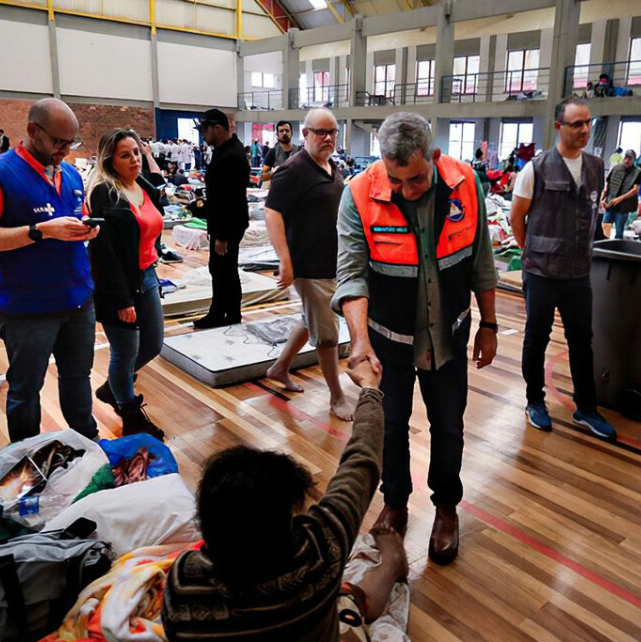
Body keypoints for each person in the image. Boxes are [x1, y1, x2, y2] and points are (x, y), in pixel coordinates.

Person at [333, 112, 499, 562]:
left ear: (434, 156)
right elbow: (351, 274)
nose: (405, 190)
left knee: (449, 426)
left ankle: (446, 507)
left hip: (448, 336)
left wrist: (489, 324)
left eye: (417, 179)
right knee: (390, 427)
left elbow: (481, 258)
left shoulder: (466, 183)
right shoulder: (359, 194)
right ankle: (395, 502)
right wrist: (360, 340)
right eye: (396, 180)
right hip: (388, 340)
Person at [162, 358, 408, 642]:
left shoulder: (183, 583)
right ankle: (391, 563)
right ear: (287, 521)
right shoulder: (320, 549)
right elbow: (363, 459)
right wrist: (369, 388)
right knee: (350, 598)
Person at [0, 98, 100, 442]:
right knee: (25, 388)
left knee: (78, 378)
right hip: (26, 307)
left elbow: (77, 216)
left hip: (77, 299)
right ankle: (26, 455)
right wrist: (40, 231)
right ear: (32, 131)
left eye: (71, 143)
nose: (65, 151)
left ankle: (88, 443)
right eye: (58, 142)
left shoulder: (70, 174)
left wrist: (87, 229)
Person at [510, 96, 617, 441]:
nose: (585, 129)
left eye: (588, 123)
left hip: (578, 274)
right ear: (559, 127)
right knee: (536, 338)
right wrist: (530, 252)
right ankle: (534, 401)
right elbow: (516, 217)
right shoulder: (536, 168)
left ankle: (586, 408)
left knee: (582, 341)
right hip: (541, 272)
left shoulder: (596, 167)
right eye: (577, 123)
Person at [262, 109, 352, 421]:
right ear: (305, 134)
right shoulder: (293, 169)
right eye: (320, 132)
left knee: (309, 318)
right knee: (327, 334)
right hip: (309, 265)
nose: (327, 138)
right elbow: (272, 212)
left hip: (331, 262)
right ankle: (337, 397)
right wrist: (285, 260)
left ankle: (279, 368)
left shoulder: (330, 165)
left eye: (332, 132)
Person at [84, 129, 166, 439]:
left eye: (136, 152)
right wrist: (121, 300)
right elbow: (104, 254)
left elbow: (153, 218)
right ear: (110, 160)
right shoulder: (104, 193)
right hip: (117, 284)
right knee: (125, 351)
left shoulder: (141, 186)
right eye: (125, 155)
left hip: (147, 276)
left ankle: (113, 388)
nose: (134, 159)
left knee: (153, 344)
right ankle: (130, 414)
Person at [192, 108, 250, 329]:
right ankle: (224, 312)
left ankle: (225, 314)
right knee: (221, 269)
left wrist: (222, 236)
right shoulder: (224, 150)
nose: (203, 136)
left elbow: (230, 200)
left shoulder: (232, 155)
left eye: (205, 131)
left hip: (228, 225)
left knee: (224, 270)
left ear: (217, 128)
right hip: (224, 223)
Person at [601, 149, 641, 239]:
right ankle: (604, 245)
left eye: (630, 159)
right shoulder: (617, 168)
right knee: (605, 227)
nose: (626, 161)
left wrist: (619, 199)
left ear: (634, 160)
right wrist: (603, 197)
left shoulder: (637, 172)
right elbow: (608, 182)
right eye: (626, 158)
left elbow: (635, 190)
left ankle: (617, 246)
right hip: (610, 203)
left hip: (623, 206)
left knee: (619, 230)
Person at [260, 120, 297, 187]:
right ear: (277, 134)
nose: (284, 133)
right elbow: (262, 177)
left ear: (291, 133)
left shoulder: (299, 151)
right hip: (278, 189)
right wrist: (273, 172)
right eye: (281, 131)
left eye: (287, 130)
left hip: (296, 190)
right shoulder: (272, 152)